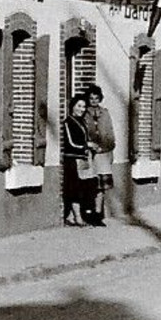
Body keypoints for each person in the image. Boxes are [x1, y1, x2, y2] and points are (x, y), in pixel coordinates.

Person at [60, 94, 99, 227]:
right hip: (72, 159)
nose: (82, 109)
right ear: (73, 107)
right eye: (79, 106)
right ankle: (77, 217)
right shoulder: (68, 122)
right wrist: (86, 146)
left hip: (83, 159)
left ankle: (71, 216)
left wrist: (92, 146)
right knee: (74, 189)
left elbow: (85, 139)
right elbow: (71, 143)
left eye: (83, 107)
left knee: (83, 187)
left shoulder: (83, 122)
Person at [84, 85, 116, 223]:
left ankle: (98, 213)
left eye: (96, 98)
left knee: (101, 187)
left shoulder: (105, 113)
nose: (94, 101)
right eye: (91, 98)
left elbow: (110, 133)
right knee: (90, 184)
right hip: (89, 154)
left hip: (103, 154)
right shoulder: (84, 113)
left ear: (100, 98)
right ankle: (88, 212)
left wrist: (106, 147)